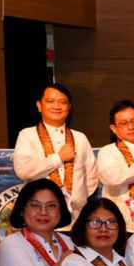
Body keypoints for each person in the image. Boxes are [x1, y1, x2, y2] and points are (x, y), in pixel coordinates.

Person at [12, 83, 97, 221]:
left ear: (69, 107)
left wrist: (76, 198)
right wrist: (58, 158)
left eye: (62, 102)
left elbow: (91, 177)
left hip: (76, 214)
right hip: (40, 213)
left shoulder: (80, 138)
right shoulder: (27, 135)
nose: (57, 106)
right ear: (39, 105)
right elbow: (23, 171)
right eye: (50, 101)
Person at [95, 99, 134, 229]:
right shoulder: (108, 152)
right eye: (123, 123)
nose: (131, 127)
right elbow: (114, 179)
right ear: (114, 129)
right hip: (119, 222)